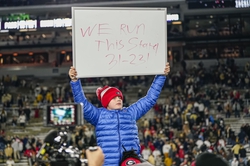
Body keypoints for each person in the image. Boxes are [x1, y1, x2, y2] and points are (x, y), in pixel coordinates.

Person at [68, 63, 170, 166]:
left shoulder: (130, 113)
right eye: (114, 97)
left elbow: (150, 99)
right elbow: (82, 104)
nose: (118, 99)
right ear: (106, 101)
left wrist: (161, 76)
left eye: (120, 97)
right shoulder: (98, 116)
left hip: (131, 162)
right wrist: (75, 81)